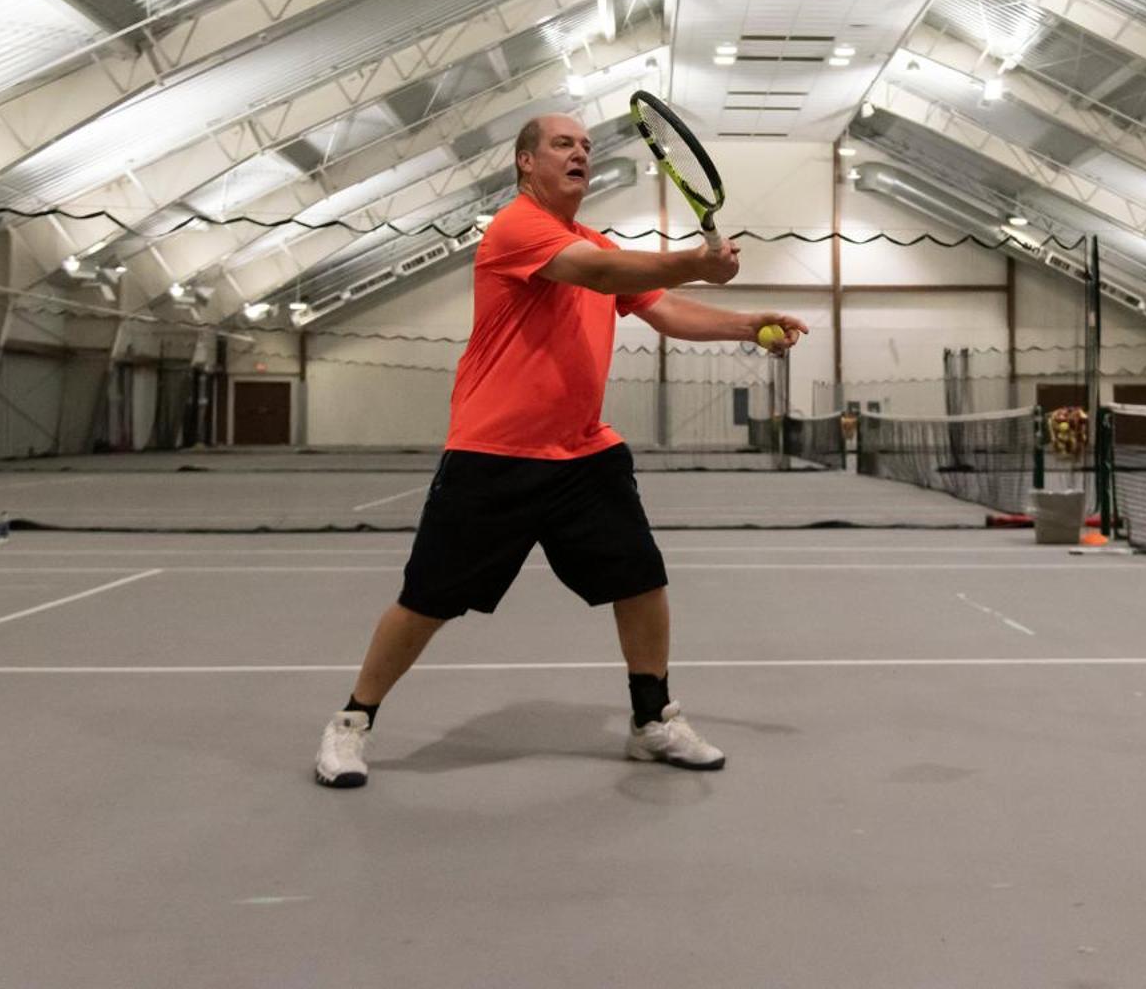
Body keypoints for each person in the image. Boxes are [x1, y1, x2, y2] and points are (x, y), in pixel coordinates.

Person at [315, 111, 806, 787]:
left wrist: (746, 324)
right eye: (562, 143)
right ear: (525, 162)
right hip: (494, 453)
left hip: (583, 455)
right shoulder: (517, 229)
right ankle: (351, 723)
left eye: (585, 145)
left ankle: (651, 717)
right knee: (427, 599)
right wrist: (697, 261)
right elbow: (601, 274)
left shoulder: (594, 239)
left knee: (640, 579)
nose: (579, 152)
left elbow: (661, 309)